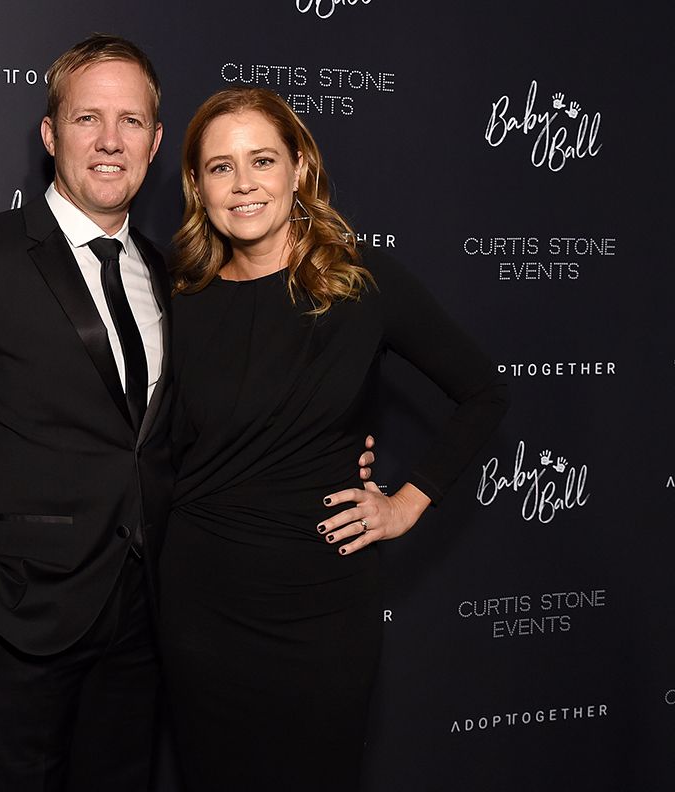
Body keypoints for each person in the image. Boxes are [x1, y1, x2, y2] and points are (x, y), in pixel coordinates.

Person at [0, 37, 374, 792]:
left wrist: (340, 454)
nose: (110, 140)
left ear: (154, 141)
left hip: (147, 629)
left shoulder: (175, 276)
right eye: (88, 118)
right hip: (21, 629)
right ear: (51, 135)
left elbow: (216, 425)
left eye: (132, 121)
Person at [159, 87, 509, 791]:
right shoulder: (178, 298)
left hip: (322, 611)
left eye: (262, 159)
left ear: (299, 169)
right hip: (201, 608)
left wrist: (406, 503)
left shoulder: (360, 284)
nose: (245, 183)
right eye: (221, 167)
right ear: (197, 186)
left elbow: (484, 392)